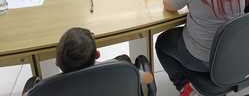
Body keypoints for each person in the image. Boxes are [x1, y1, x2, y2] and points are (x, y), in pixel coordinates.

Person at [22, 27, 154, 95]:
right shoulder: (124, 72)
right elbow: (148, 79)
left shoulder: (43, 89)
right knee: (123, 59)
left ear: (57, 62)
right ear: (97, 55)